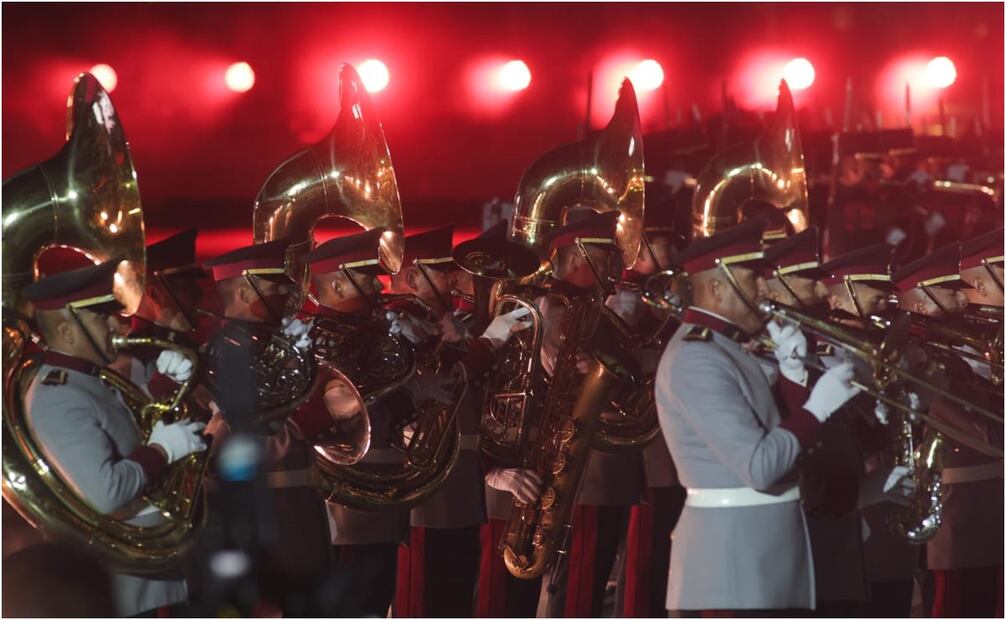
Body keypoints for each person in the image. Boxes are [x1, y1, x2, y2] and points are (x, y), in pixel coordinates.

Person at [655, 216, 860, 615]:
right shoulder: (698, 357)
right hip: (732, 561)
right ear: (716, 288)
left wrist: (793, 374)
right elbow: (760, 465)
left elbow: (787, 436)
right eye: (754, 279)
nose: (766, 290)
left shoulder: (724, 348)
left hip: (757, 551)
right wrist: (819, 406)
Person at [22, 258, 206, 616]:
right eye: (102, 316)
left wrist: (163, 387)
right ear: (66, 331)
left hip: (156, 579)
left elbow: (131, 429)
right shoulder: (57, 395)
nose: (116, 323)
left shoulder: (90, 379)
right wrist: (161, 452)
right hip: (129, 591)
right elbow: (107, 493)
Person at [764, 229, 914, 617]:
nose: (819, 297)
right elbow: (803, 465)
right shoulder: (787, 360)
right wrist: (866, 491)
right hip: (808, 544)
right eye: (808, 286)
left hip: (844, 542)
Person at [202, 239, 356, 616]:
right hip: (264, 514)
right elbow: (235, 437)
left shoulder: (275, 344)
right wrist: (319, 416)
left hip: (299, 511)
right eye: (276, 290)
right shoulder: (225, 351)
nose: (287, 297)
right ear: (241, 291)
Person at [396, 222, 537, 617]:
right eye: (444, 271)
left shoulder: (440, 325)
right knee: (425, 602)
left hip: (460, 490)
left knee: (453, 600)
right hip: (426, 494)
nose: (456, 280)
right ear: (412, 277)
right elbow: (448, 381)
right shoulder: (403, 324)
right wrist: (491, 340)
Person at [892, 241, 1004, 618]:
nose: (962, 295)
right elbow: (987, 435)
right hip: (959, 510)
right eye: (950, 290)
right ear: (920, 306)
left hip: (984, 503)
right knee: (957, 604)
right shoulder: (924, 359)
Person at [818, 242, 921, 617]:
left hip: (889, 512)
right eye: (872, 293)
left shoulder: (885, 349)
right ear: (839, 293)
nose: (883, 302)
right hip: (854, 508)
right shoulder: (821, 356)